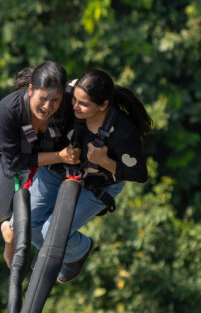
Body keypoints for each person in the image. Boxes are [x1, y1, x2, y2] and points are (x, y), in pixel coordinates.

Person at [26, 68, 151, 284]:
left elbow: (139, 174)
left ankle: (77, 251)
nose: (75, 106)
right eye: (74, 99)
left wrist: (106, 161)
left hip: (98, 183)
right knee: (25, 222)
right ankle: (58, 251)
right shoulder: (66, 99)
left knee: (51, 231)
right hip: (61, 167)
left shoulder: (122, 132)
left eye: (83, 104)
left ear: (103, 105)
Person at [0, 61, 81, 264]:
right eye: (43, 99)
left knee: (30, 216)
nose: (47, 107)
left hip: (44, 149)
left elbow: (91, 94)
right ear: (31, 89)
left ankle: (9, 233)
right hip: (5, 157)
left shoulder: (69, 101)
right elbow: (14, 163)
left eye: (55, 100)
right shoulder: (8, 109)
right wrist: (59, 156)